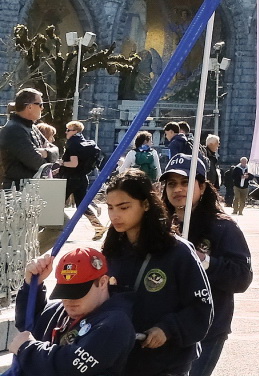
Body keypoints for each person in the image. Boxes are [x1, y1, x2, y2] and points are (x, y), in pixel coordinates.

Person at [99, 170, 211, 376]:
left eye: (124, 207)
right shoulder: (111, 252)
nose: (115, 215)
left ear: (146, 204)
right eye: (110, 208)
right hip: (121, 360)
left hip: (166, 364)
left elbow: (201, 308)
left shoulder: (178, 252)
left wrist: (168, 329)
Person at [161, 156, 252, 376]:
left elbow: (242, 277)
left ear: (202, 186)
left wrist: (206, 261)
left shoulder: (222, 226)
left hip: (207, 329)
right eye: (172, 183)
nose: (178, 189)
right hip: (166, 326)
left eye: (186, 182)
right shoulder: (160, 225)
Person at [9, 246, 136, 376]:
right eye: (64, 292)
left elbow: (71, 367)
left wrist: (28, 349)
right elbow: (28, 324)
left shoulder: (115, 324)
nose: (69, 301)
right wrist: (32, 284)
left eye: (77, 293)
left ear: (103, 282)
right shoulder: (61, 310)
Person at [59, 120, 105, 236]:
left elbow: (73, 163)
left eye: (68, 130)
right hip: (82, 178)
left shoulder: (72, 143)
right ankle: (98, 227)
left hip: (71, 178)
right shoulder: (86, 143)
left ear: (75, 131)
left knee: (57, 203)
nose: (66, 132)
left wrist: (62, 163)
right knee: (82, 206)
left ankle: (58, 228)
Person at [2, 88, 55, 188]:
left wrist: (46, 153)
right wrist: (48, 156)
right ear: (29, 107)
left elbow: (56, 150)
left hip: (30, 189)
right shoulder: (14, 130)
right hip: (17, 191)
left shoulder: (32, 127)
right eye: (40, 104)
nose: (42, 108)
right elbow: (37, 163)